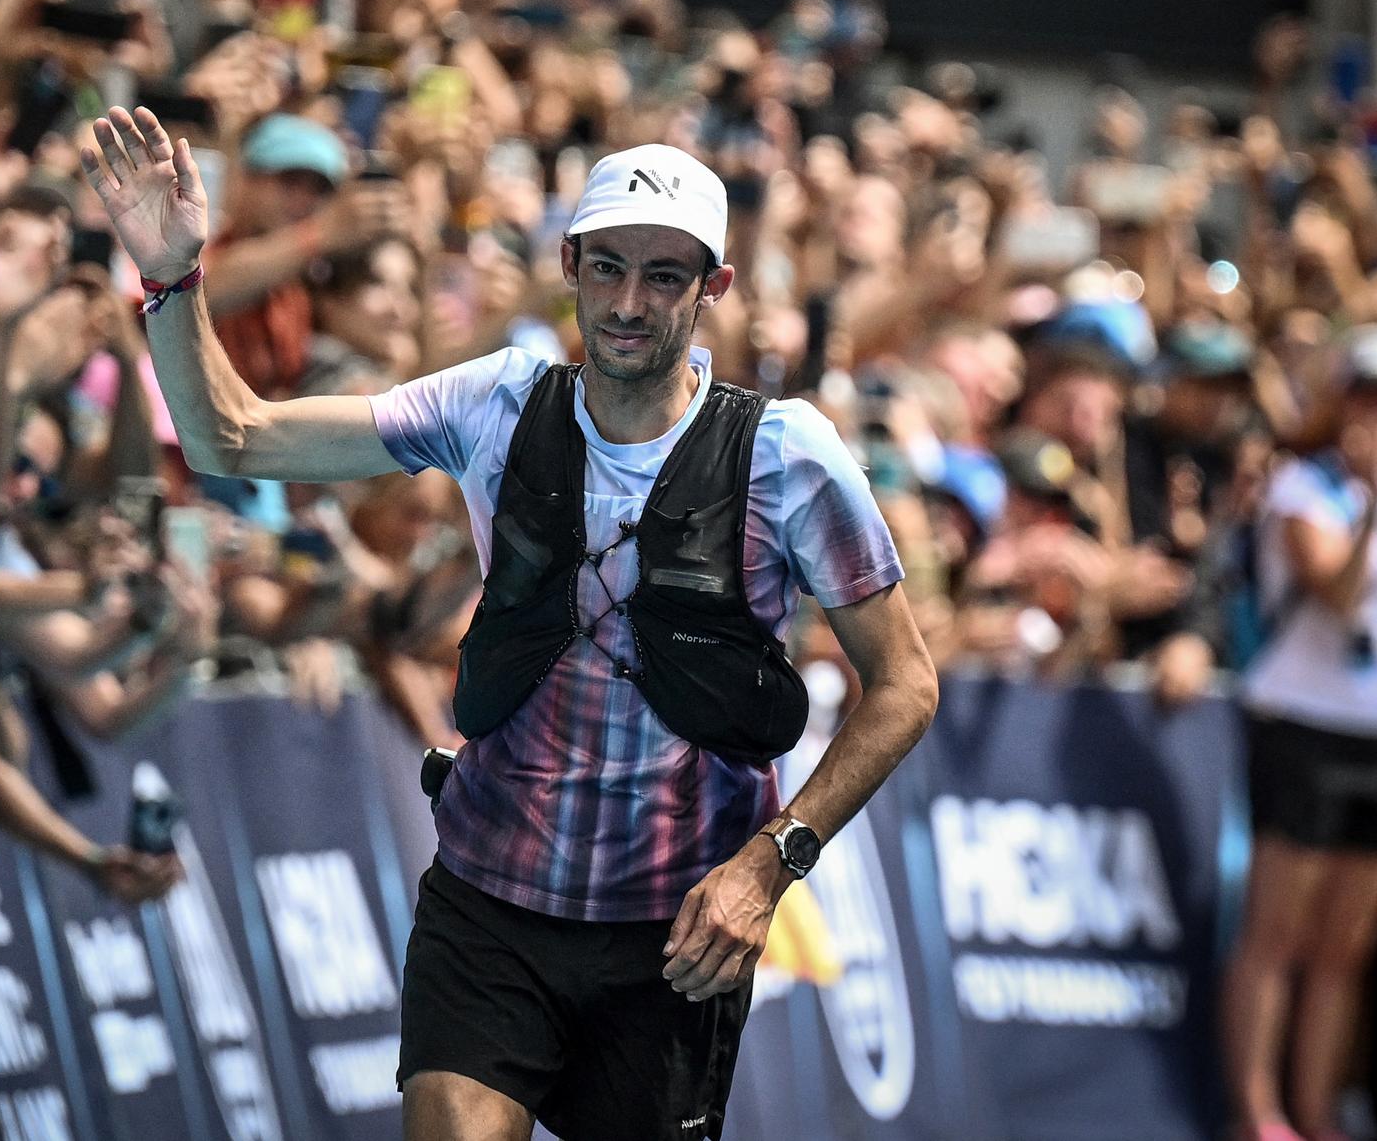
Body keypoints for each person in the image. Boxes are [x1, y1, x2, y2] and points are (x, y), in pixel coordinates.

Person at [81, 106, 938, 1141]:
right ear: (569, 264)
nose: (628, 303)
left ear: (711, 288)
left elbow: (902, 684)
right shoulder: (495, 402)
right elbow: (232, 438)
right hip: (488, 906)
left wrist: (769, 864)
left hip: (671, 934)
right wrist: (173, 280)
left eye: (664, 276)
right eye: (607, 267)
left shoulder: (784, 455)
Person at [1224, 324, 1377, 1141]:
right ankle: (1259, 1108)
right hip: (1302, 725)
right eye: (1365, 394)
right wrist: (1369, 502)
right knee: (1278, 930)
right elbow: (1337, 591)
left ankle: (1316, 1107)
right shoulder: (1304, 487)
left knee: (1344, 946)